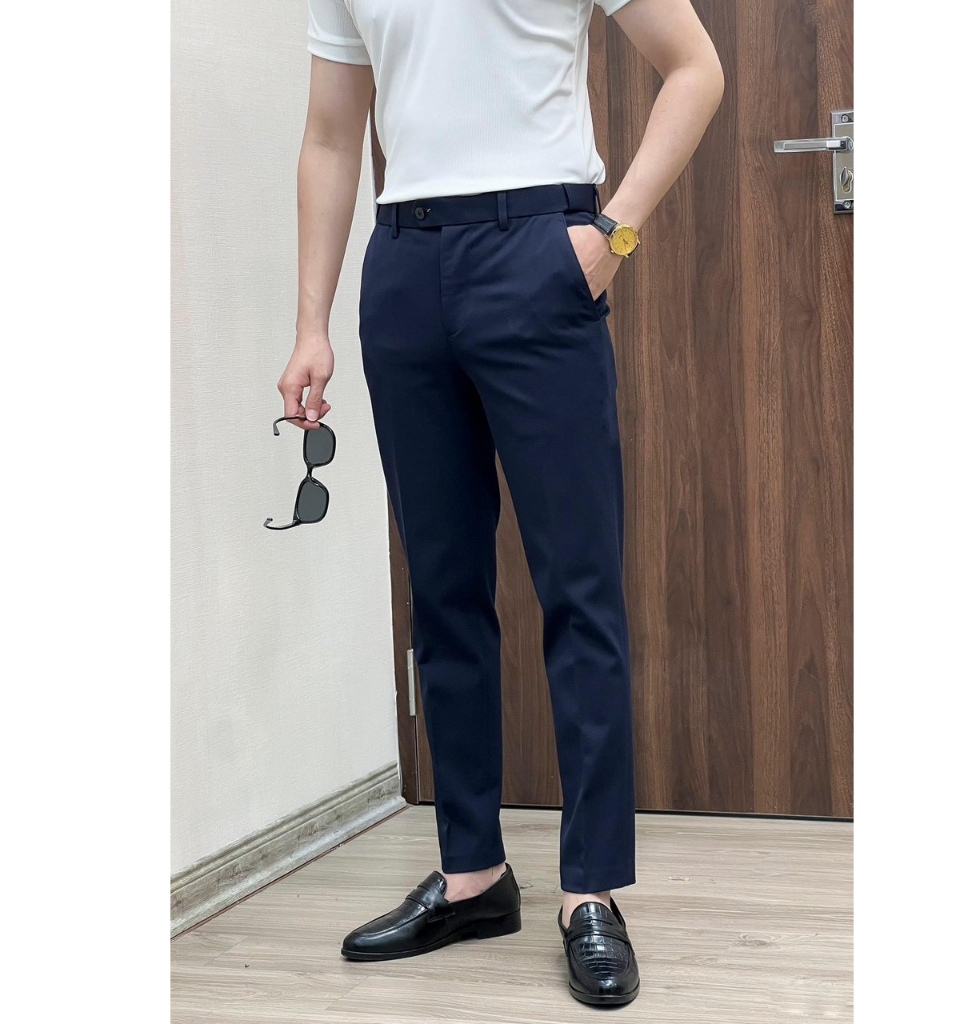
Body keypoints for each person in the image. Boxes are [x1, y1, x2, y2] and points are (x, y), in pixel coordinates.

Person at [277, 0, 723, 1006]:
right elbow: (331, 136)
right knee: (442, 591)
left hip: (541, 248)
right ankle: (472, 873)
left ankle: (590, 890)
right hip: (403, 268)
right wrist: (310, 323)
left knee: (578, 589)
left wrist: (612, 235)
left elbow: (695, 67)